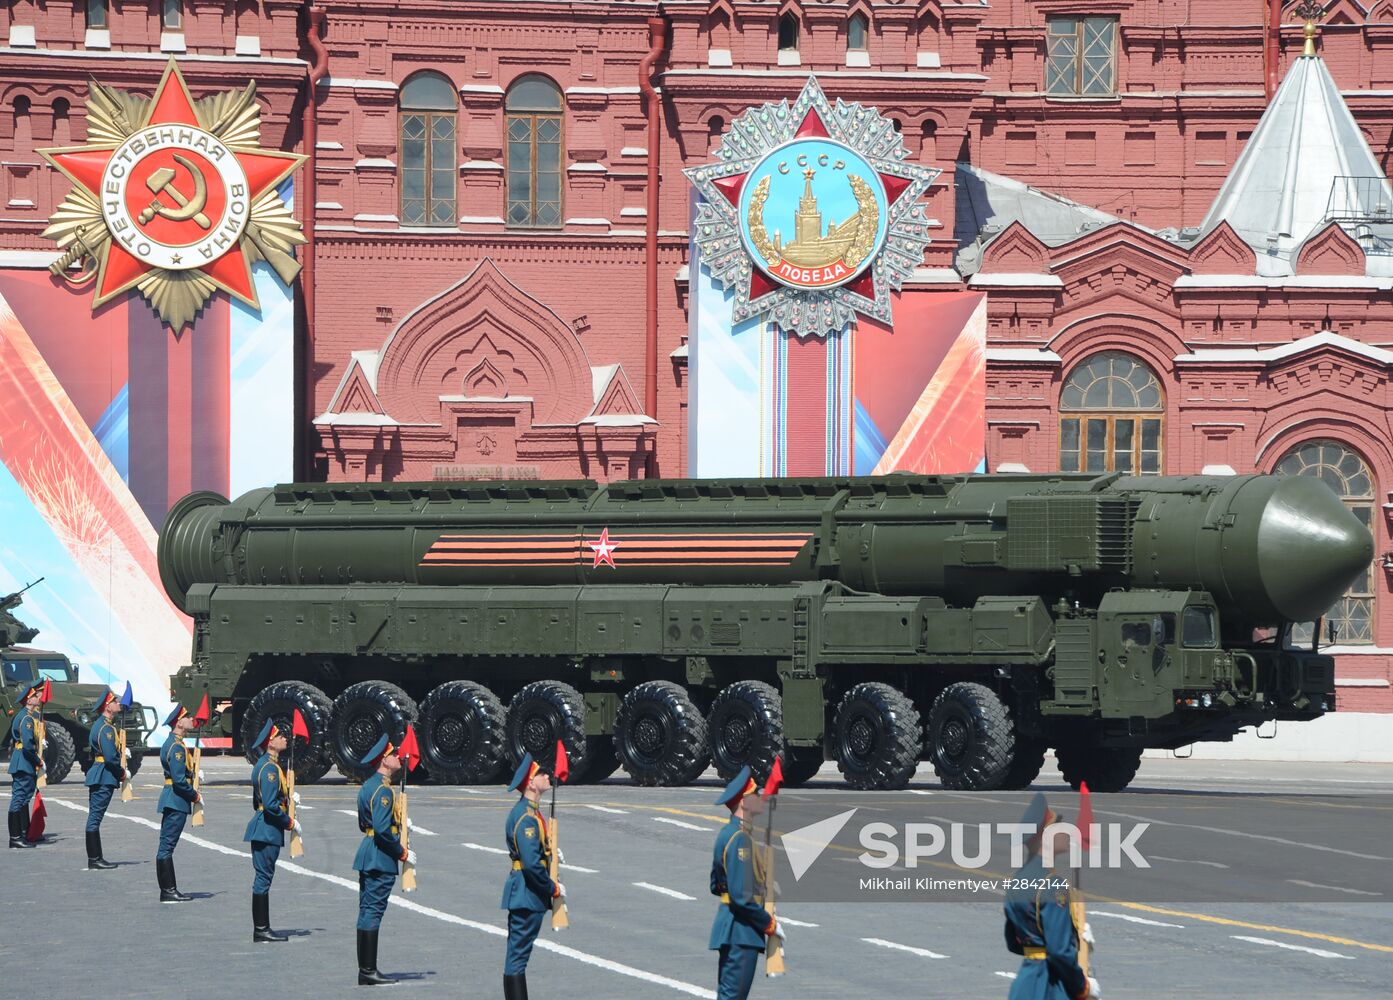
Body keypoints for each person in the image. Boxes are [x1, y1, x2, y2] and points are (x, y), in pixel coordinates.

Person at [1002, 793, 1101, 1000]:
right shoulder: (1053, 885)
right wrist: (1082, 985)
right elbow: (1059, 951)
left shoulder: (1016, 881)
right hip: (1052, 986)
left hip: (1025, 984)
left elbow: (1013, 941)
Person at [710, 765, 786, 1000]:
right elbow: (741, 897)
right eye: (754, 795)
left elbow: (716, 885)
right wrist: (769, 924)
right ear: (743, 801)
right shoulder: (741, 839)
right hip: (741, 932)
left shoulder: (727, 834)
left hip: (731, 928)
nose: (759, 799)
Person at [500, 753, 564, 1000]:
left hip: (524, 892)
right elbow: (530, 865)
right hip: (527, 893)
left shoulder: (530, 812)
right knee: (517, 957)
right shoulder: (526, 817)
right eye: (541, 773)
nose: (547, 776)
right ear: (530, 782)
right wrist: (552, 888)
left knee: (517, 954)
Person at [353, 734, 413, 986]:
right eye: (394, 755)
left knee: (366, 910)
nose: (399, 758)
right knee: (373, 911)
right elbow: (380, 828)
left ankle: (365, 970)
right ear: (384, 760)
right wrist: (401, 851)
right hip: (380, 855)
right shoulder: (384, 791)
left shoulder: (368, 785)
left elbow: (363, 824)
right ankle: (368, 971)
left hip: (367, 851)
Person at [243, 719, 300, 942]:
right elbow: (269, 804)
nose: (285, 739)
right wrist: (289, 822)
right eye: (280, 736)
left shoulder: (266, 765)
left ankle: (262, 928)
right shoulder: (270, 770)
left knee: (263, 877)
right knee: (263, 878)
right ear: (270, 742)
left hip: (264, 827)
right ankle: (261, 929)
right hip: (267, 829)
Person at [155, 704, 201, 902]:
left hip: (172, 798)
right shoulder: (177, 747)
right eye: (187, 717)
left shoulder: (173, 743)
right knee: (167, 846)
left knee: (166, 845)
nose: (191, 720)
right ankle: (168, 890)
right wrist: (195, 795)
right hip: (176, 800)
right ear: (179, 723)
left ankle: (168, 890)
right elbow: (179, 781)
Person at [83, 689, 125, 869]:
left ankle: (96, 857)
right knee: (95, 817)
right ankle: (94, 858)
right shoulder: (106, 728)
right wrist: (121, 772)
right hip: (104, 775)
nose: (118, 704)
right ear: (108, 706)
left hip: (99, 773)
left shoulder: (101, 725)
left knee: (94, 817)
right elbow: (110, 757)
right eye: (115, 702)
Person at [7, 679, 44, 849]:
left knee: (23, 799)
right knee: (19, 799)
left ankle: (23, 832)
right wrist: (38, 760)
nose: (40, 697)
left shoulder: (29, 717)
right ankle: (15, 837)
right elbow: (28, 747)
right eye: (37, 695)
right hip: (24, 761)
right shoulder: (26, 719)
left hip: (24, 760)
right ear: (29, 699)